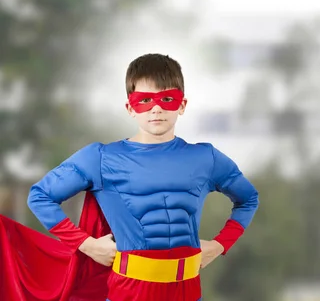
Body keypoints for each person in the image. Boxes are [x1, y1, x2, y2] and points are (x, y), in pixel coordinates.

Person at [24, 53, 260, 301]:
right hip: (129, 292)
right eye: (145, 100)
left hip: (188, 292)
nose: (156, 108)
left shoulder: (206, 158)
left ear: (182, 105)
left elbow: (248, 198)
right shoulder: (101, 158)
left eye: (167, 98)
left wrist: (220, 245)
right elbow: (40, 196)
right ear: (130, 107)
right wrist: (87, 245)